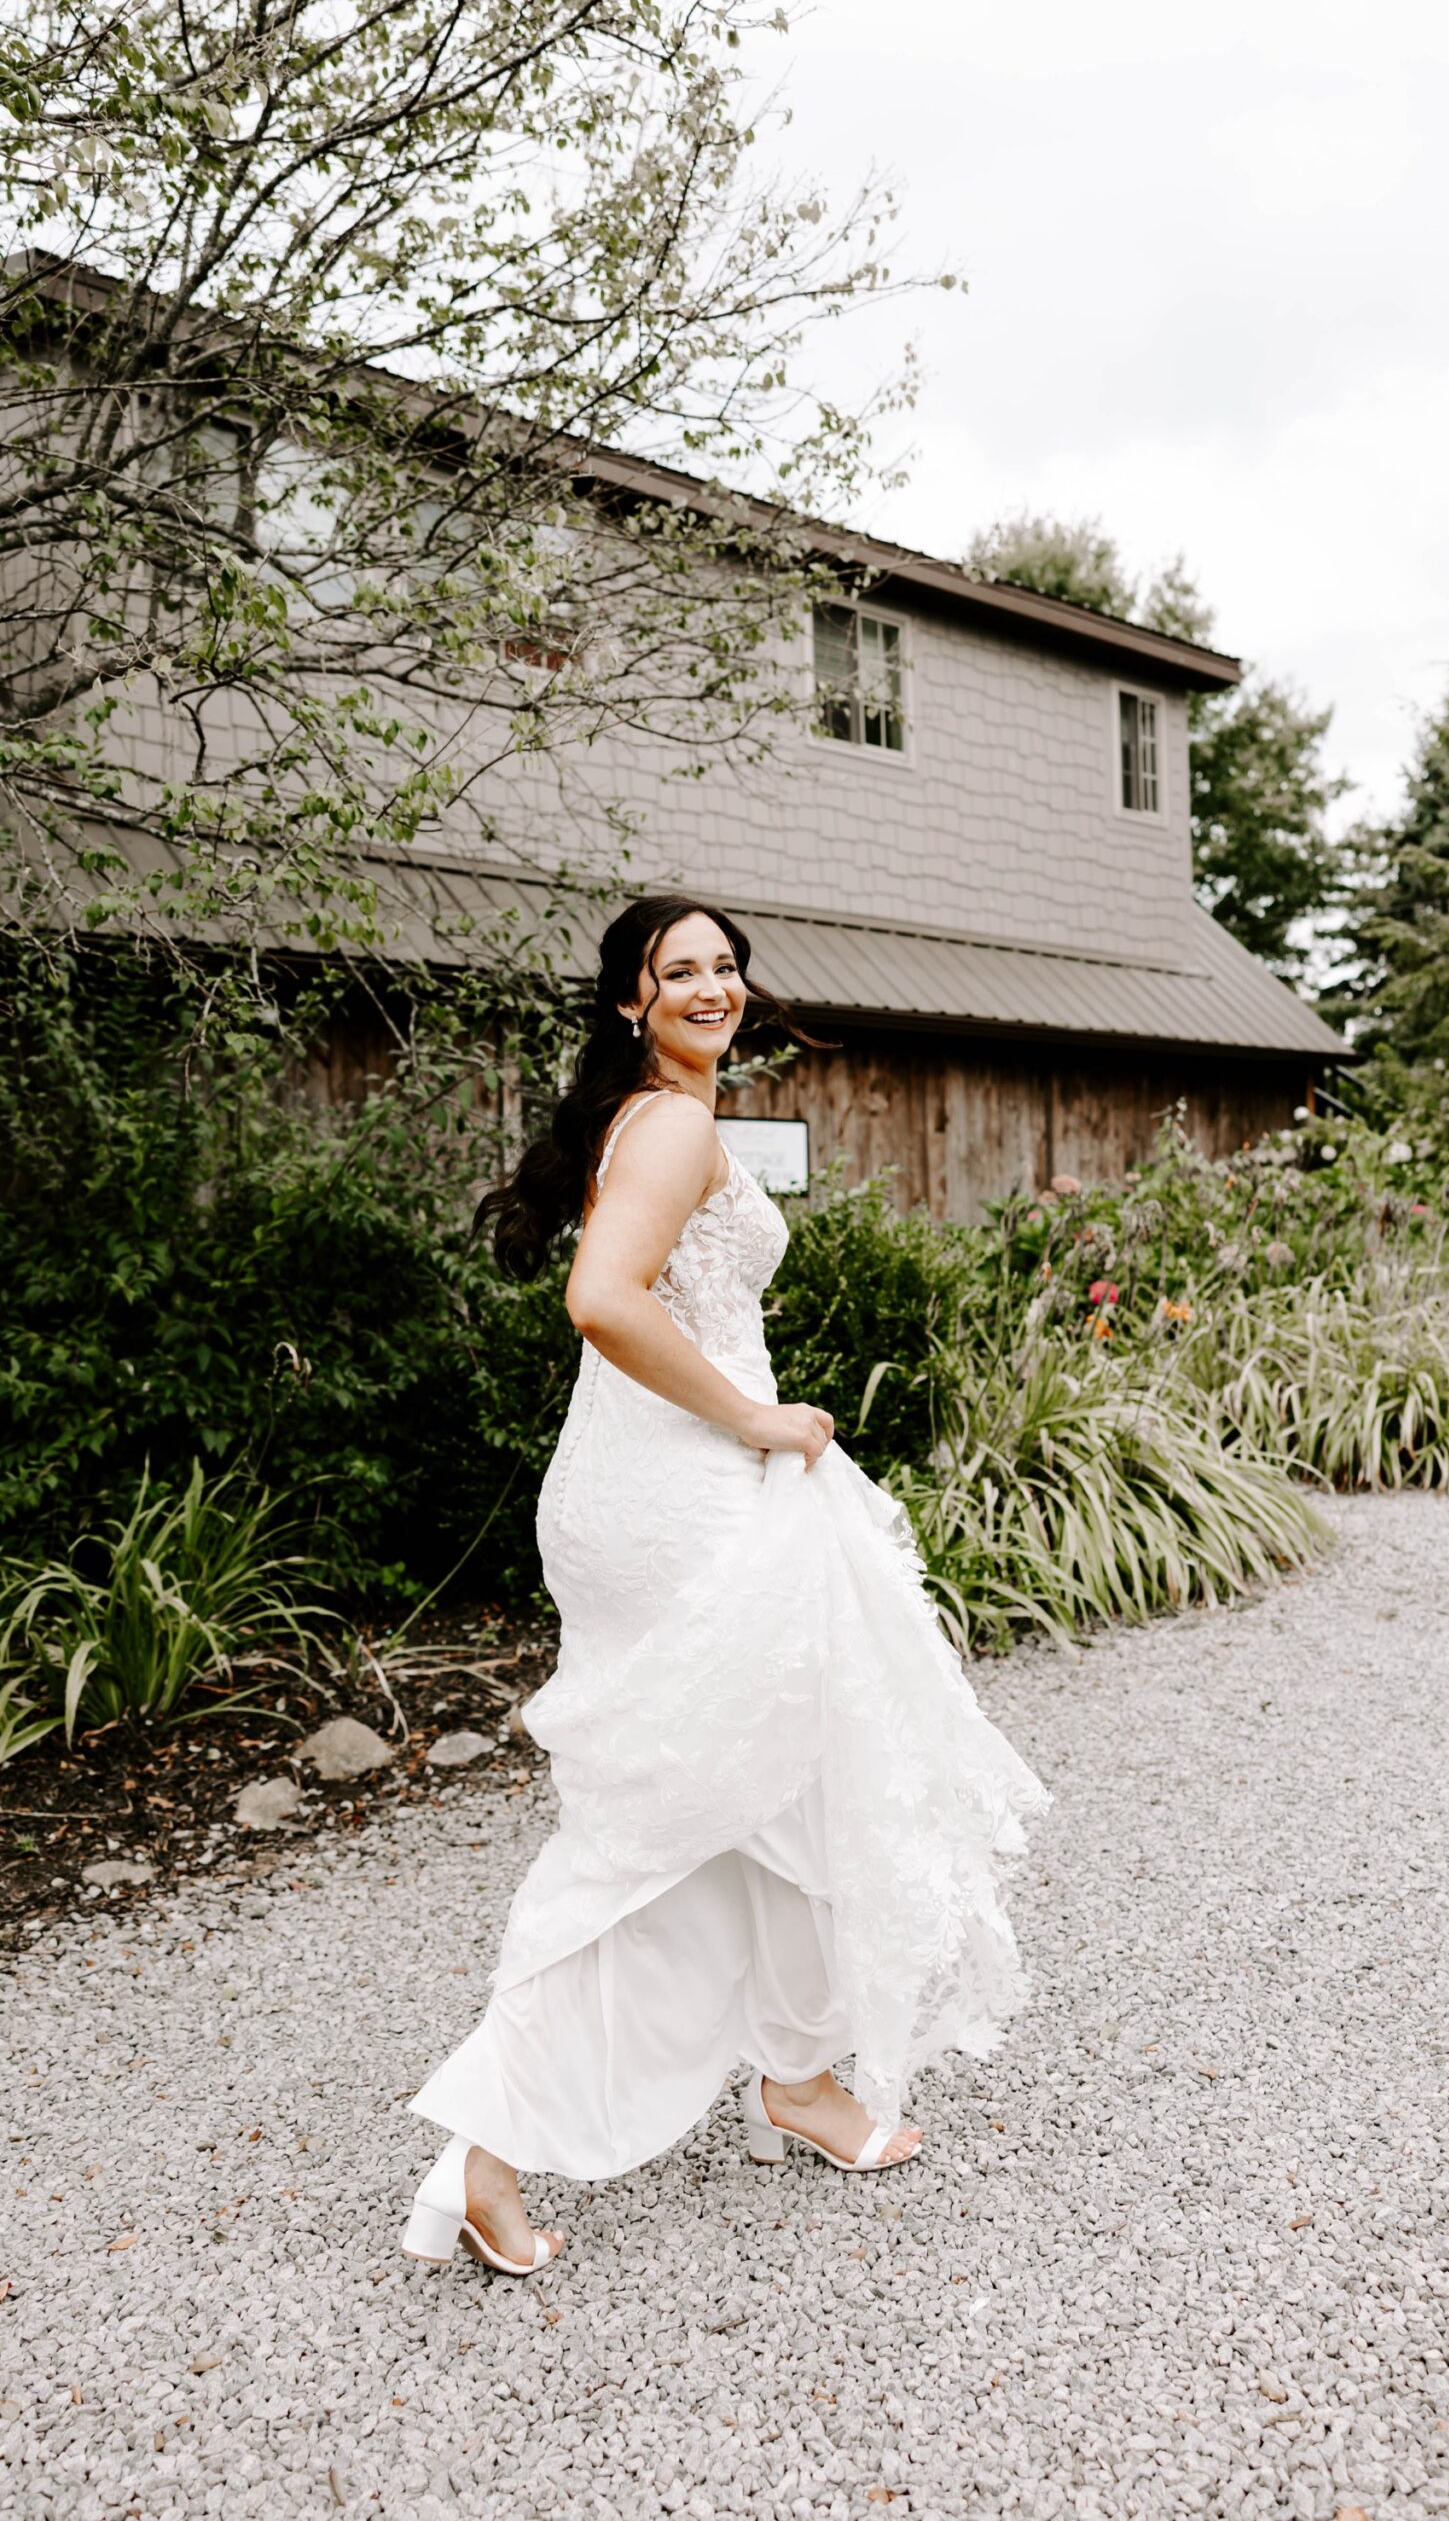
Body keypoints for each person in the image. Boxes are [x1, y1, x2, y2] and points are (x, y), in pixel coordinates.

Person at [401, 894, 1047, 2276]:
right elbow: (604, 1298)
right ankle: (488, 2151)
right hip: (681, 1498)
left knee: (788, 1775)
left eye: (723, 966)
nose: (711, 986)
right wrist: (755, 1421)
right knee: (670, 1816)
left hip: (649, 1486)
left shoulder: (646, 1116)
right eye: (675, 971)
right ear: (629, 1003)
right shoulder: (675, 1123)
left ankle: (800, 2081)